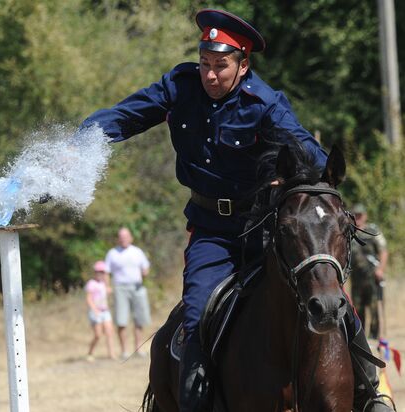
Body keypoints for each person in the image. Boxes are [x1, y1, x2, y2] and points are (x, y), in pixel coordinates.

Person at [79, 8, 393, 411]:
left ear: (243, 65)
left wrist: (318, 175)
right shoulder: (179, 85)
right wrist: (80, 143)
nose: (210, 75)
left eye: (221, 66)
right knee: (196, 313)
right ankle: (194, 401)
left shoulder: (265, 103)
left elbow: (305, 149)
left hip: (265, 228)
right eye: (205, 63)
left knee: (330, 296)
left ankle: (371, 395)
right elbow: (126, 116)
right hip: (211, 232)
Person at [104, 227, 151, 360]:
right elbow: (106, 271)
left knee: (139, 319)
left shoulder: (137, 252)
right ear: (118, 239)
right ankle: (124, 351)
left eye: (126, 236)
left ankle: (139, 348)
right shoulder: (112, 253)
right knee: (122, 320)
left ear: (131, 238)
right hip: (120, 288)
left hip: (137, 287)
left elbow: (145, 266)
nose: (124, 239)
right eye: (121, 236)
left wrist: (145, 272)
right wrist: (107, 286)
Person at [350, 203, 389, 339]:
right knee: (357, 311)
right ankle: (361, 339)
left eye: (360, 215)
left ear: (365, 216)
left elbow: (383, 251)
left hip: (373, 278)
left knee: (374, 311)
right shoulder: (349, 231)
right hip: (356, 280)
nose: (358, 218)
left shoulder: (373, 230)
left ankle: (375, 340)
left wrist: (380, 270)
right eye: (355, 215)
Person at [85, 260, 116, 361]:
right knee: (98, 335)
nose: (101, 274)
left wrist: (107, 278)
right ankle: (90, 352)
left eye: (103, 272)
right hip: (96, 311)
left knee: (109, 332)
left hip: (105, 311)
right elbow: (89, 298)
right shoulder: (91, 283)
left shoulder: (104, 284)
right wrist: (95, 310)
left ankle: (111, 354)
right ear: (95, 272)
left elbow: (109, 290)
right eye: (99, 272)